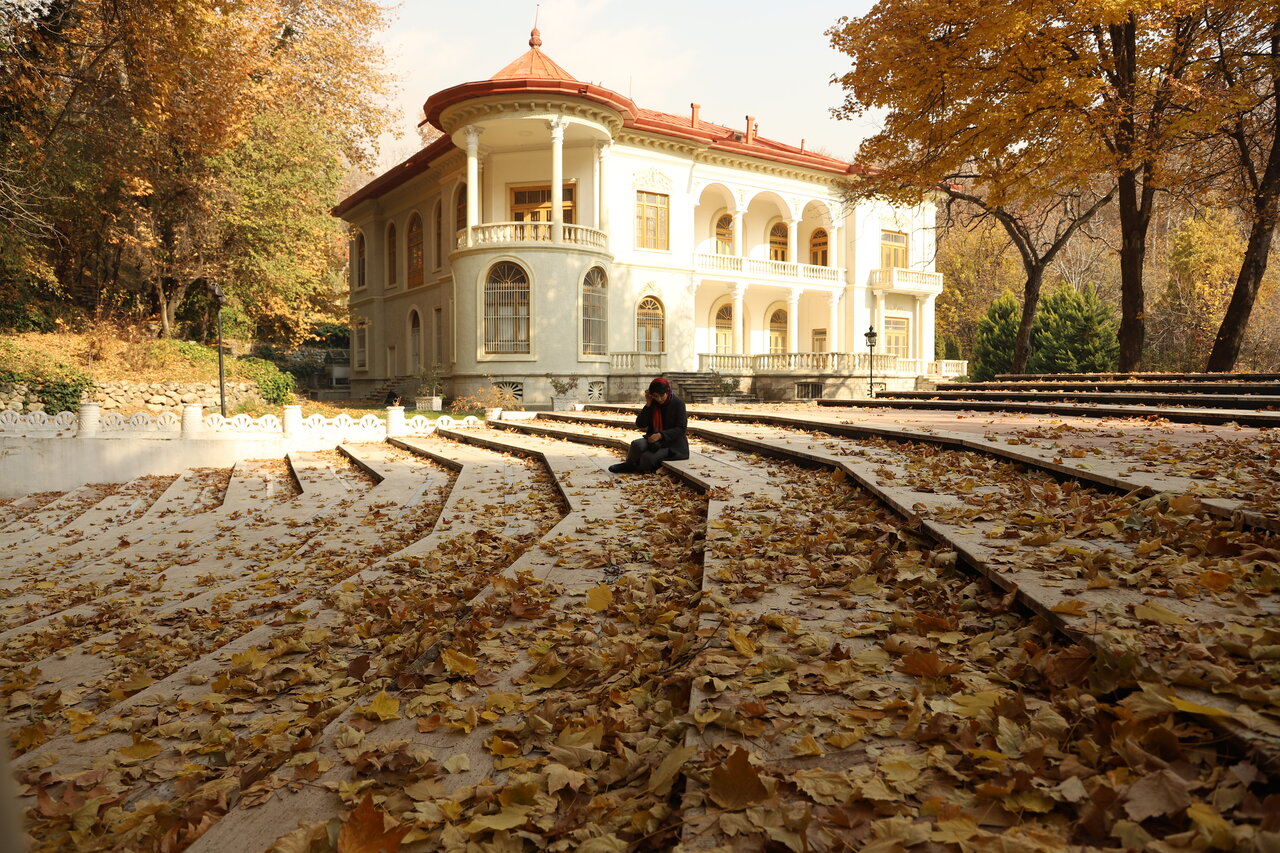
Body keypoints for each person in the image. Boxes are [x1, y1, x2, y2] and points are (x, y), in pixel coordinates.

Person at [609, 377, 689, 474]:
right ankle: (629, 465)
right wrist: (648, 404)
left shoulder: (678, 404)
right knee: (636, 445)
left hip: (673, 444)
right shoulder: (653, 403)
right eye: (655, 396)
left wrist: (661, 435)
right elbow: (640, 424)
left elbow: (681, 429)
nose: (659, 399)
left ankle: (640, 467)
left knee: (647, 458)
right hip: (654, 440)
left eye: (661, 395)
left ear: (667, 392)